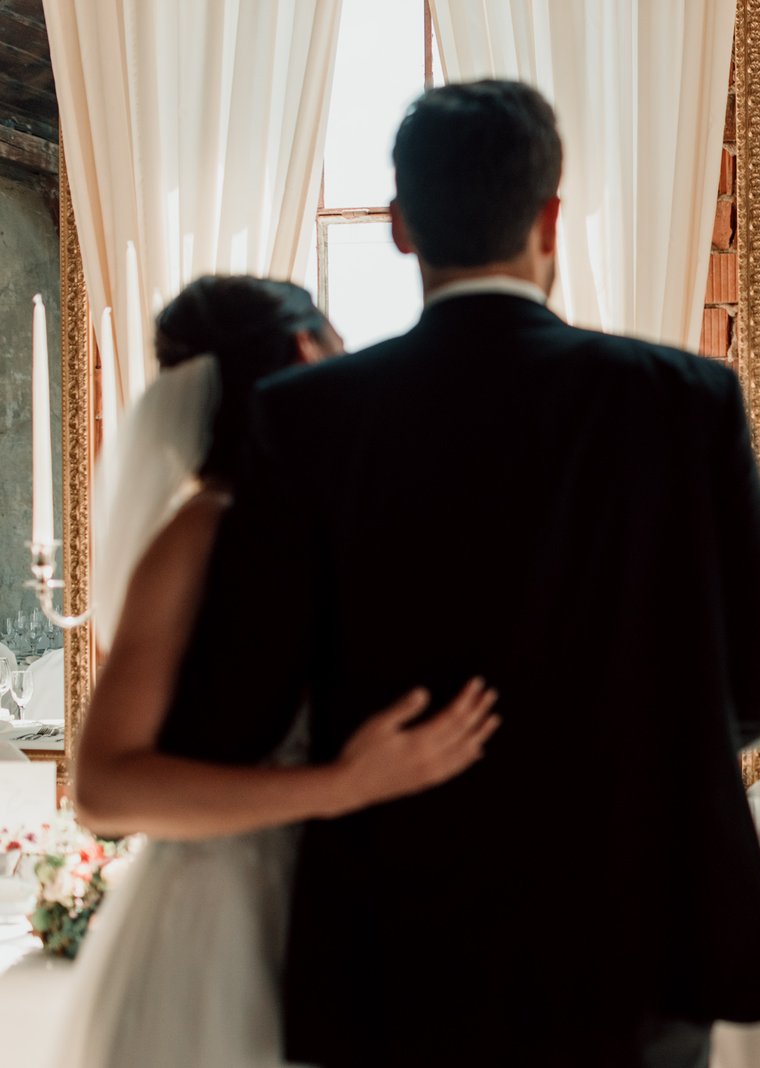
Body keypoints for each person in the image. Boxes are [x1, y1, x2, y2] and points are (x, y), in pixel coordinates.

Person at [157, 81, 760, 1067]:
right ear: (550, 219)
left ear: (400, 227)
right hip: (629, 936)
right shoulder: (685, 399)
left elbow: (237, 715)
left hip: (391, 949)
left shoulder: (305, 418)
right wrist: (622, 756)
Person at [64, 276, 501, 1068]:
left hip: (339, 923)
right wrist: (343, 785)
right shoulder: (201, 528)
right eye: (340, 344)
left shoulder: (319, 522)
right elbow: (102, 788)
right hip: (216, 934)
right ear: (307, 351)